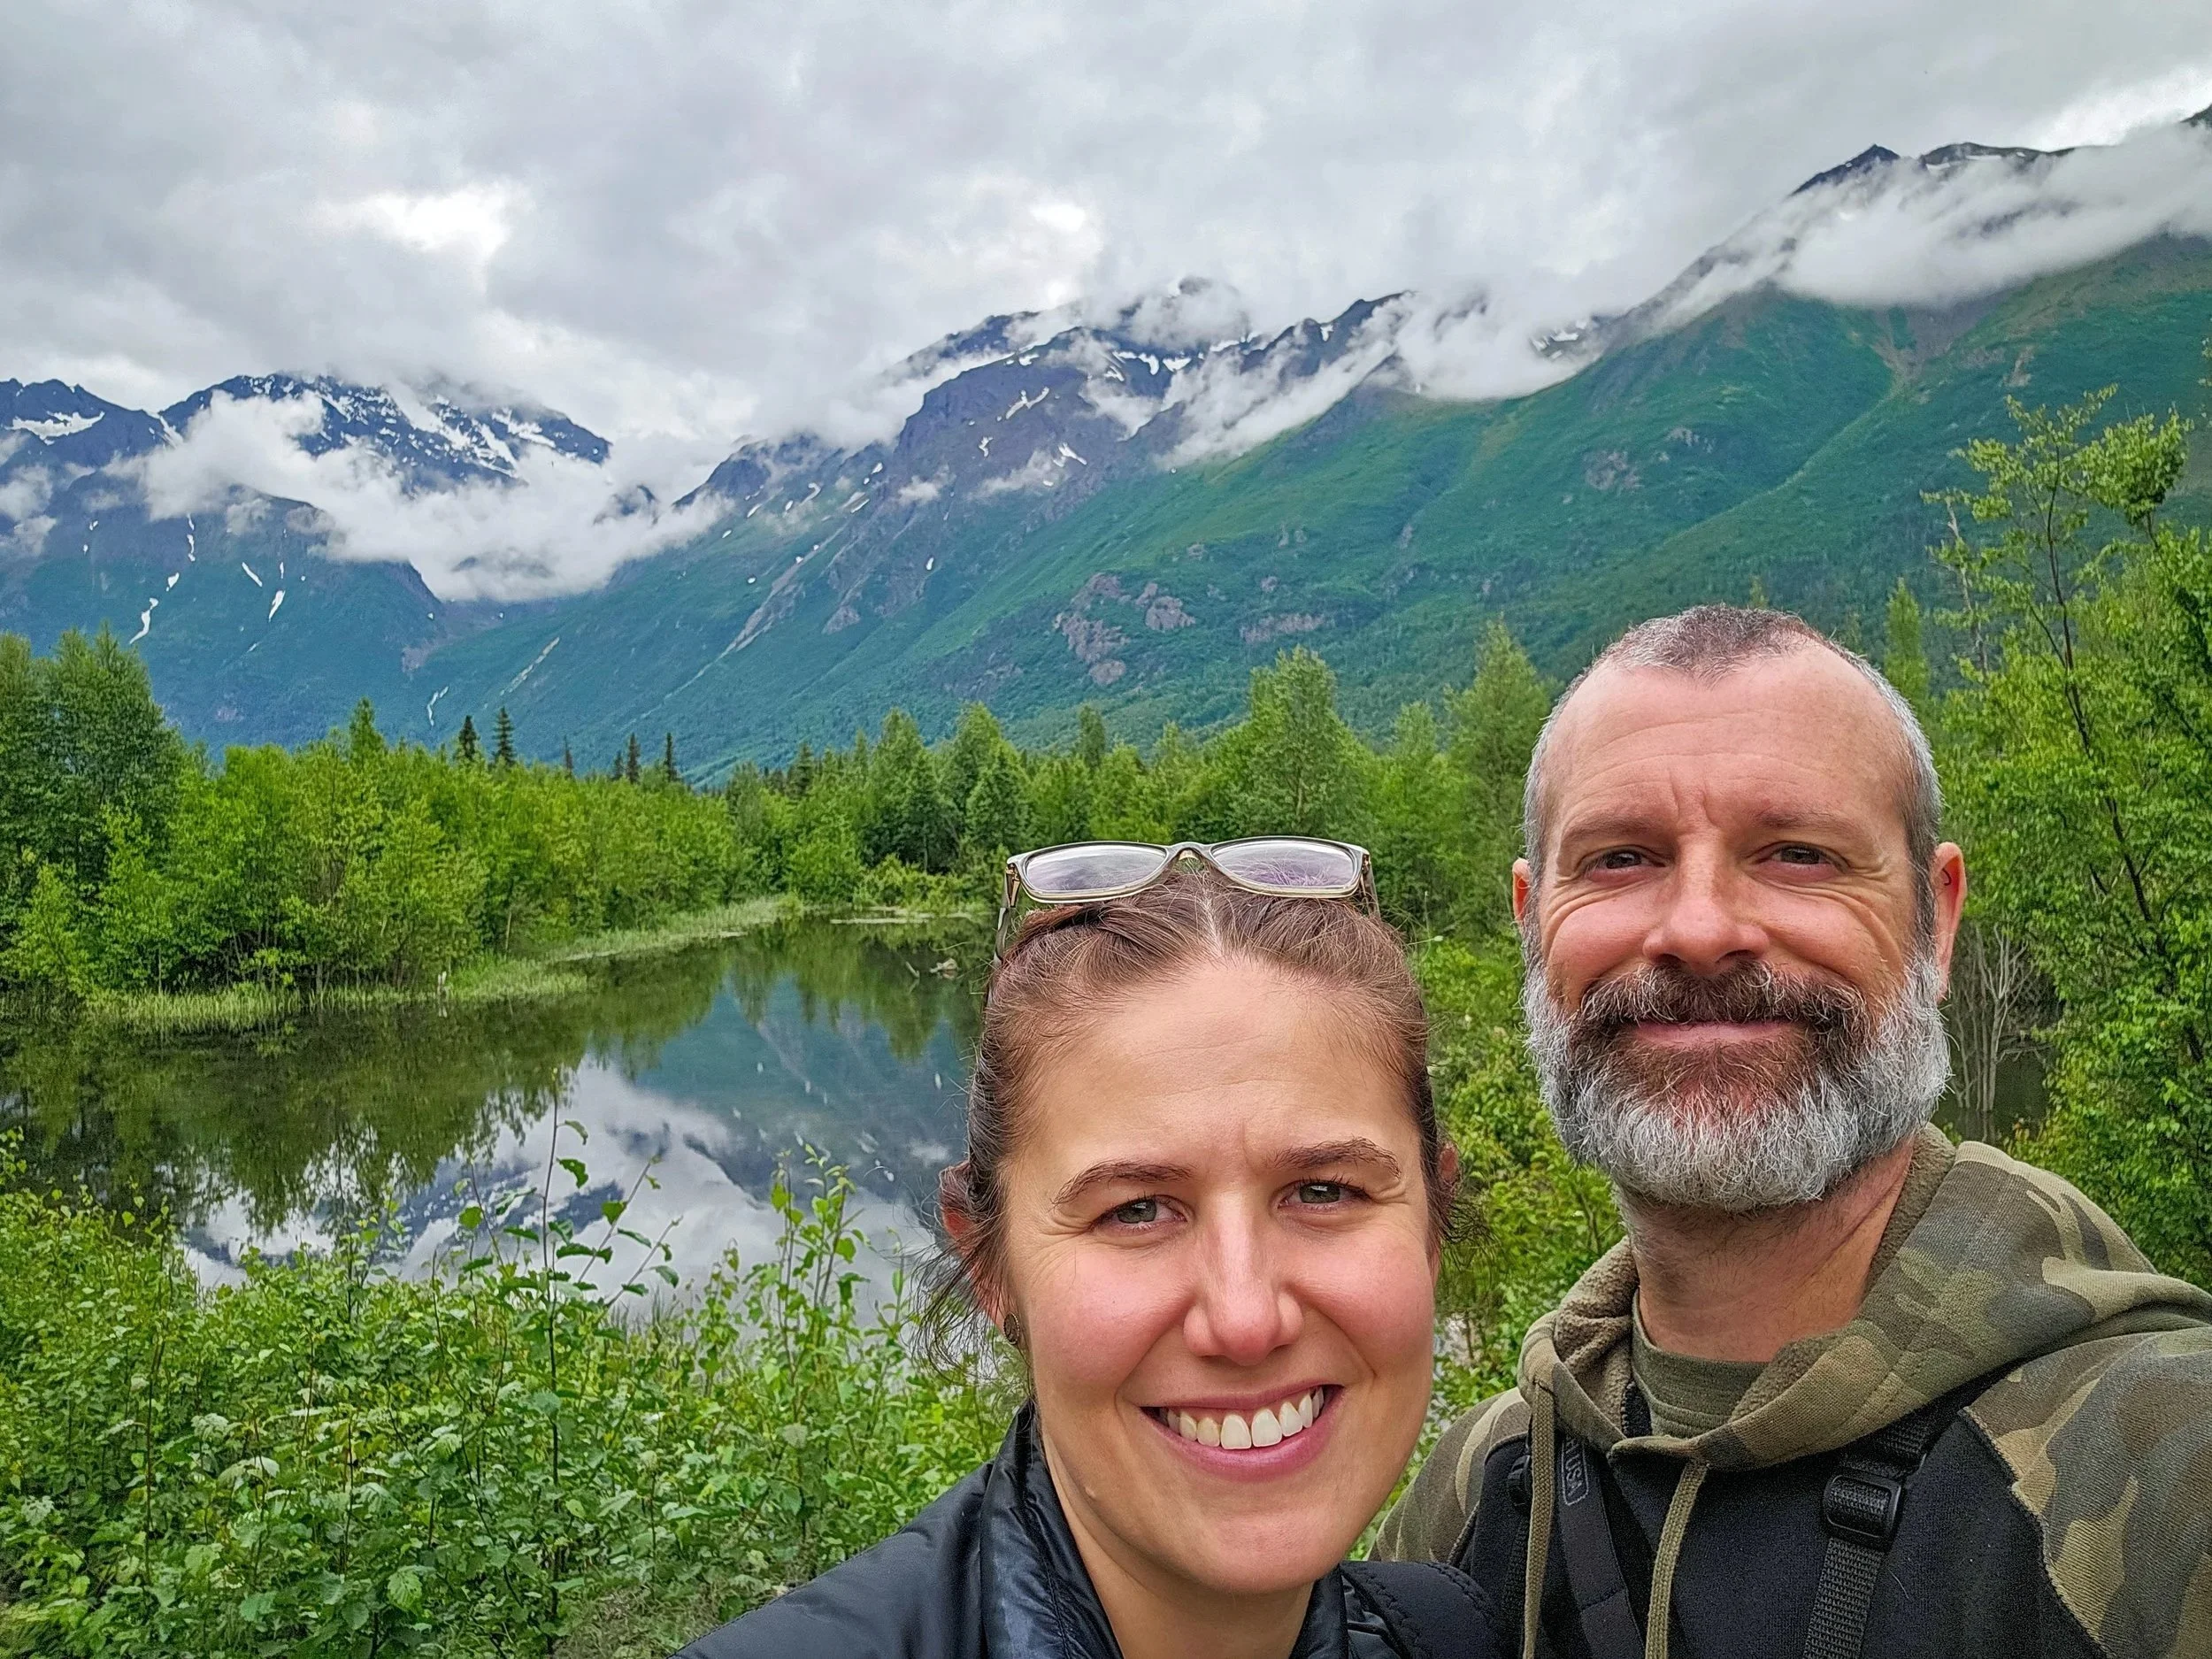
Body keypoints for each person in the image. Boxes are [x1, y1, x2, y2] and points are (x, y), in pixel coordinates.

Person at [1373, 605, 2212, 1659]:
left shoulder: (2163, 1471)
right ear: (1532, 925)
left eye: (1798, 855)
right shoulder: (1469, 1502)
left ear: (1935, 920)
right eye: (1622, 858)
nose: (1700, 929)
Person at [680, 842, 1511, 1659]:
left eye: (1325, 1191)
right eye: (1138, 1209)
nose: (1246, 1317)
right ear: (990, 1266)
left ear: (1430, 1224)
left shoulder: (1448, 1632)